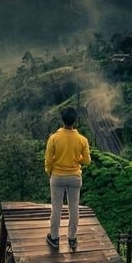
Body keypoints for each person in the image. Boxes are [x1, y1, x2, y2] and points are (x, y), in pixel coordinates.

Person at [44, 106, 91, 249]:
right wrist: (78, 158)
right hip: (75, 177)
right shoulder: (82, 140)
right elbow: (87, 161)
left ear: (62, 119)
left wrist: (49, 172)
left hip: (57, 176)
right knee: (74, 208)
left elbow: (48, 160)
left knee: (56, 208)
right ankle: (72, 238)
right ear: (75, 121)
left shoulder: (54, 138)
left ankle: (55, 238)